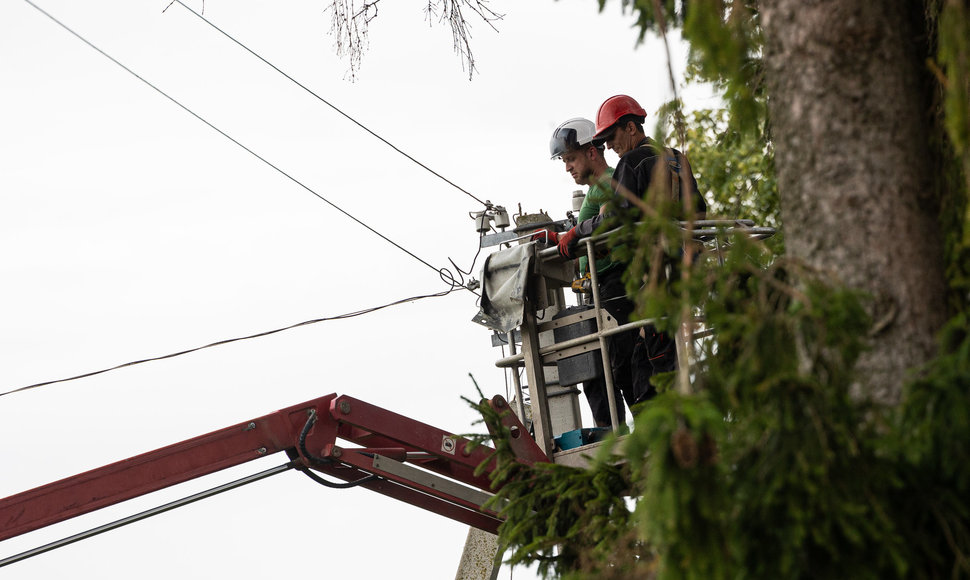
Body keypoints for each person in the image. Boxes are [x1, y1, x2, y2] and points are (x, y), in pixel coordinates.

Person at [539, 96, 707, 427]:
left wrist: (579, 232)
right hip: (681, 273)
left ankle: (657, 434)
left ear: (631, 128)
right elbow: (698, 212)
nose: (612, 147)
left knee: (644, 364)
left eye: (613, 138)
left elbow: (616, 217)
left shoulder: (633, 162)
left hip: (652, 277)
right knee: (660, 355)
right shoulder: (675, 159)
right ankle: (673, 424)